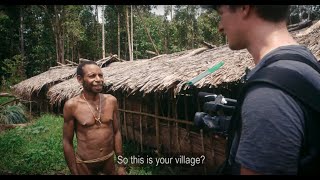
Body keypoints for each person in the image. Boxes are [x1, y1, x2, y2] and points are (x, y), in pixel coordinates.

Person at [207, 5, 320, 175]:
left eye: (222, 13)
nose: (220, 27)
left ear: (244, 7)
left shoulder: (268, 96)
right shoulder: (305, 62)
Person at [63, 61, 126, 175]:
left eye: (100, 75)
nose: (98, 79)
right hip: (85, 164)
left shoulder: (111, 101)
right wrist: (74, 171)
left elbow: (116, 132)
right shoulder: (72, 106)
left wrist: (121, 165)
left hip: (108, 161)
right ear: (80, 79)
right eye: (92, 76)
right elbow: (67, 141)